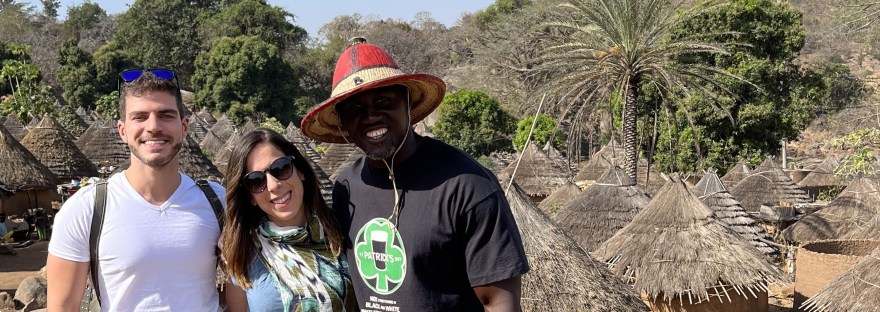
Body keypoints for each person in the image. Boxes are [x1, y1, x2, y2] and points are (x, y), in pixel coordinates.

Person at [301, 38, 530, 311]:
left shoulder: (467, 185)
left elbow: (498, 302)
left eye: (383, 100)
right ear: (343, 125)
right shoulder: (346, 187)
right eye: (355, 109)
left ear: (408, 104)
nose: (371, 116)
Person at [47, 68, 226, 311]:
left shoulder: (219, 202)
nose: (153, 127)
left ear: (184, 126)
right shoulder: (86, 209)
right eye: (140, 117)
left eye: (165, 115)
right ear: (123, 131)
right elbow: (62, 307)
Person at [220, 128, 357, 312]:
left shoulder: (343, 231)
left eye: (280, 168)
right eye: (256, 181)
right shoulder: (243, 253)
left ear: (300, 170)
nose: (273, 185)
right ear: (250, 197)